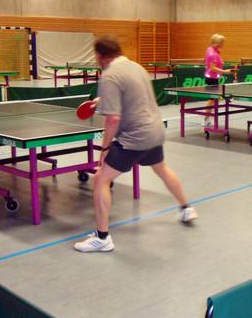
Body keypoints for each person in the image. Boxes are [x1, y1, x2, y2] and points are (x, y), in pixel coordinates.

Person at [74, 35, 197, 253]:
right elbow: (134, 94)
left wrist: (105, 149)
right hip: (154, 131)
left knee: (100, 180)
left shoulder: (109, 75)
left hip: (134, 138)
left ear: (101, 56)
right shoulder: (137, 67)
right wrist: (101, 100)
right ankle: (186, 208)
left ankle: (102, 238)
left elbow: (113, 119)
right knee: (162, 169)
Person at [203, 33, 235, 127]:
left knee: (214, 98)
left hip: (211, 78)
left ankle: (207, 118)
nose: (223, 44)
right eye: (222, 42)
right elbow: (213, 68)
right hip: (212, 79)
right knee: (212, 99)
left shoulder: (210, 49)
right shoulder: (213, 54)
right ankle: (206, 119)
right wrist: (226, 71)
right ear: (218, 43)